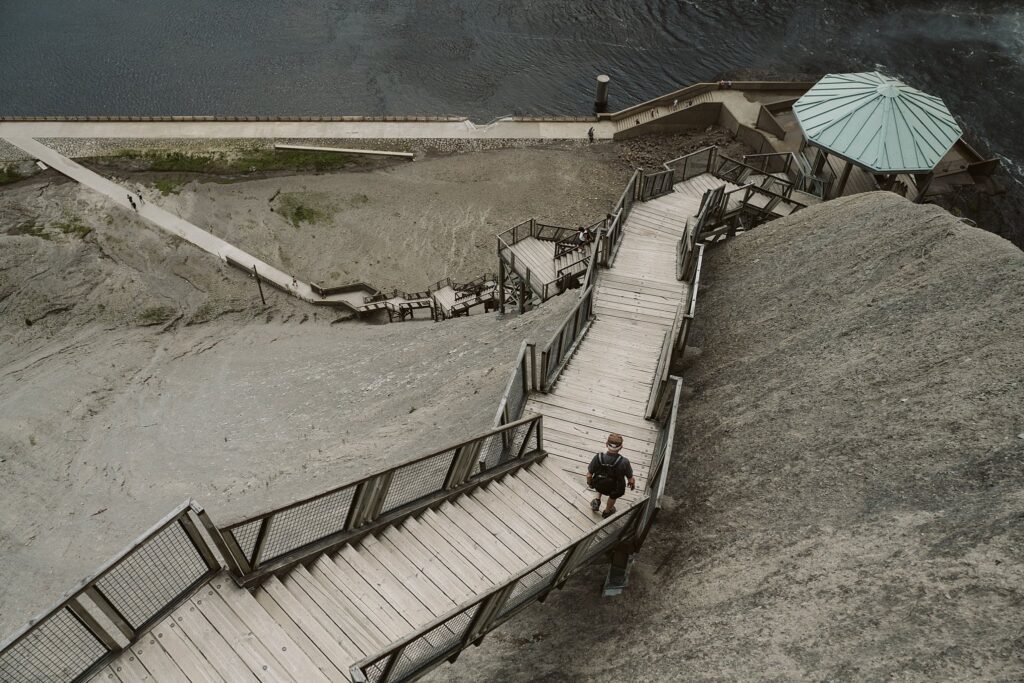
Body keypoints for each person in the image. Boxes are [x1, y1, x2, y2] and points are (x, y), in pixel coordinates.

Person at [587, 433, 635, 518]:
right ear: (621, 447)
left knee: (600, 479)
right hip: (614, 488)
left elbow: (589, 475)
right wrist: (632, 484)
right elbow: (631, 479)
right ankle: (607, 511)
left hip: (599, 484)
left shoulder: (598, 457)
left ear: (606, 444)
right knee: (614, 495)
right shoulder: (624, 462)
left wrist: (590, 483)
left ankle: (597, 500)